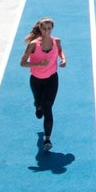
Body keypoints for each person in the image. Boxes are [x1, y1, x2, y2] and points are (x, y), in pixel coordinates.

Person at [19, 17, 66, 151]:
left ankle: (47, 139)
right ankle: (37, 105)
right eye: (44, 28)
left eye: (49, 29)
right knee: (40, 103)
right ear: (40, 29)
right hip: (36, 80)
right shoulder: (33, 44)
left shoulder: (56, 41)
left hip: (52, 79)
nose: (46, 31)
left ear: (52, 29)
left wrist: (63, 59)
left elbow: (60, 51)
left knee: (48, 107)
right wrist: (38, 64)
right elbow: (22, 63)